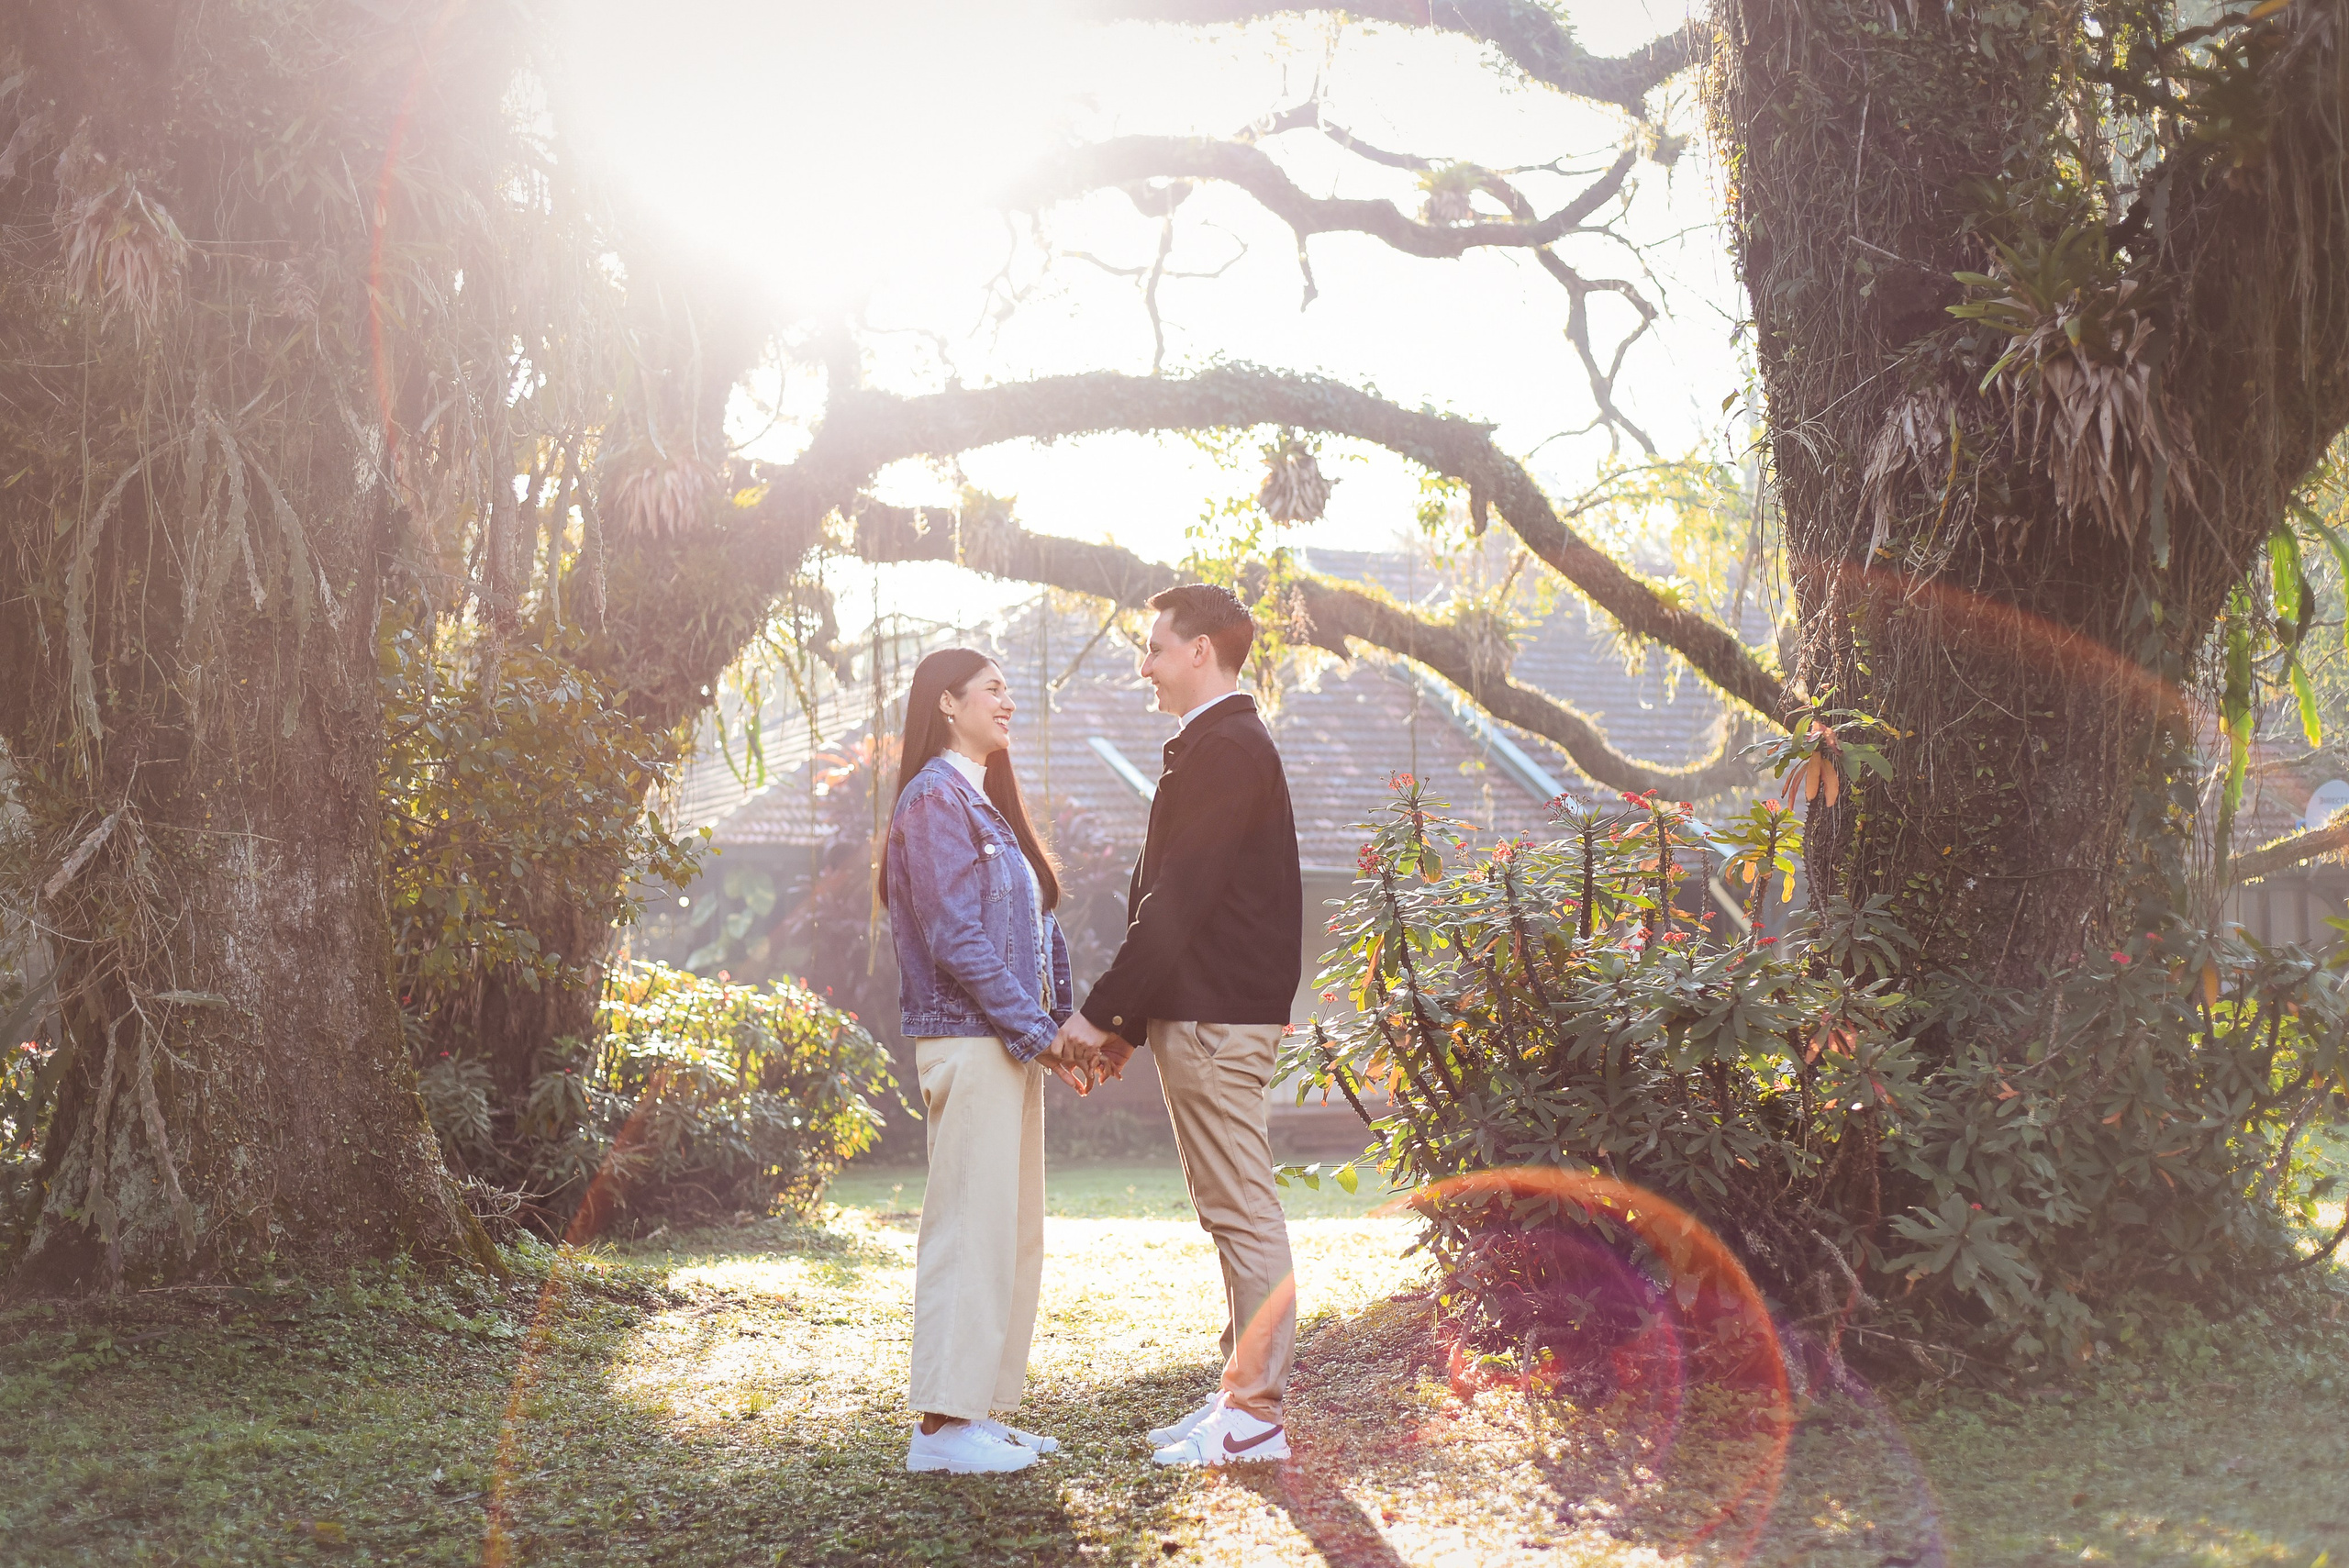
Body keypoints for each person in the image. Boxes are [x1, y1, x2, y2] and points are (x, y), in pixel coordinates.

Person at [1052, 584, 1304, 1467]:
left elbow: (1177, 902)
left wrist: (1100, 1013)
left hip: (1219, 1017)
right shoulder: (1217, 745)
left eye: (1154, 646)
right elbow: (1180, 900)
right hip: (1202, 1013)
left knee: (1241, 1207)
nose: (1145, 664)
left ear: (1201, 650)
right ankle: (1240, 1395)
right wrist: (1130, 1025)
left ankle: (1258, 1417)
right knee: (1225, 1206)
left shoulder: (1230, 746)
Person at [882, 647, 1090, 1475]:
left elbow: (1036, 928)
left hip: (1005, 1037)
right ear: (946, 702)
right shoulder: (934, 797)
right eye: (994, 688)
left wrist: (1060, 1023)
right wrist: (1039, 1033)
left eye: (1010, 686)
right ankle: (939, 1428)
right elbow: (955, 937)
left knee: (1010, 1229)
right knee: (970, 1227)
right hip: (972, 1039)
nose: (1009, 700)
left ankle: (980, 1411)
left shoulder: (982, 801)